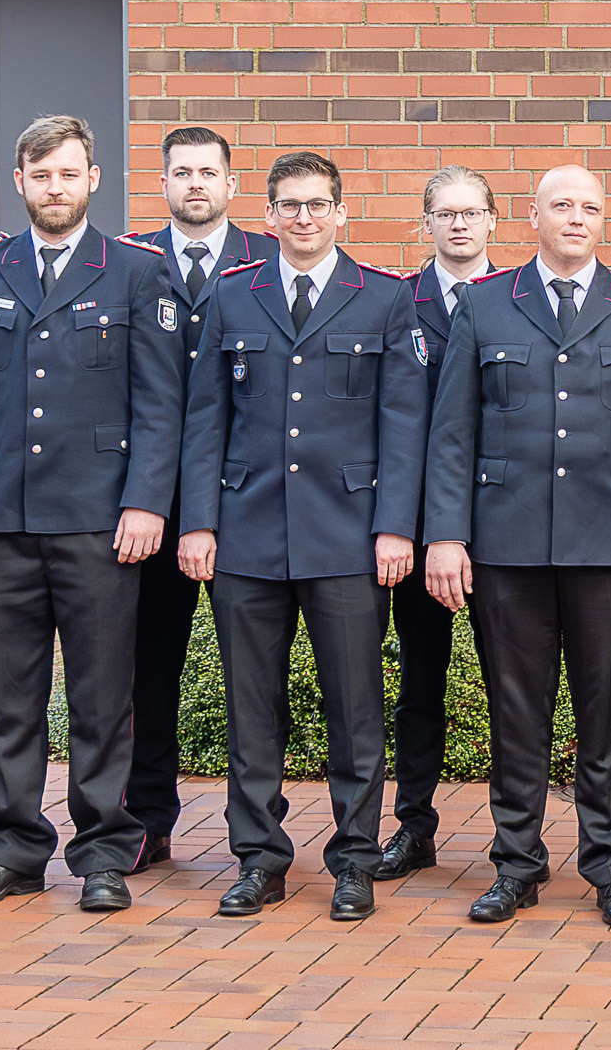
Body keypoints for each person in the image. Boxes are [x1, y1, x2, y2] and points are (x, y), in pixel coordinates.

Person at [420, 165, 611, 927]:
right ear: (532, 215)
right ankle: (517, 864)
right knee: (516, 709)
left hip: (610, 544)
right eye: (561, 205)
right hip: (508, 543)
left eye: (590, 207)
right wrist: (445, 534)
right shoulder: (485, 303)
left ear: (604, 220)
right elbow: (453, 433)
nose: (576, 218)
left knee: (604, 710)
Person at [0, 115, 185, 912]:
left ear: (92, 178)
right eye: (40, 177)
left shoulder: (137, 272)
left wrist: (146, 501)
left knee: (104, 699)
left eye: (68, 174)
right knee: (6, 699)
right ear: (18, 183)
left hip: (100, 524)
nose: (55, 189)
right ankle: (11, 849)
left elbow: (161, 404)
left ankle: (105, 851)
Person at [175, 152, 428, 921]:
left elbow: (404, 424)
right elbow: (204, 418)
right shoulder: (232, 296)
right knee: (254, 708)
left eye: (318, 204)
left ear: (342, 212)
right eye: (289, 205)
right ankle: (259, 859)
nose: (304, 218)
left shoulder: (383, 298)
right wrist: (198, 521)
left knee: (354, 707)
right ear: (270, 215)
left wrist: (394, 529)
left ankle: (353, 859)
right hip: (248, 533)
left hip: (347, 537)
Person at [130, 126, 278, 872]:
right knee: (145, 669)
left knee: (256, 675)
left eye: (208, 172)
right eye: (181, 172)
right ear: (163, 183)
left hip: (248, 504)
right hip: (152, 504)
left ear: (231, 185)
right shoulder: (127, 261)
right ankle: (146, 821)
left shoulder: (271, 259)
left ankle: (259, 833)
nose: (195, 184)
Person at [375, 162, 497, 882]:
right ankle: (413, 826)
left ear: (492, 220)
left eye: (470, 212)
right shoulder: (396, 302)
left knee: (513, 683)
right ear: (426, 224)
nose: (458, 224)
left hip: (503, 526)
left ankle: (520, 836)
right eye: (444, 214)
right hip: (420, 530)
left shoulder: (520, 298)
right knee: (419, 684)